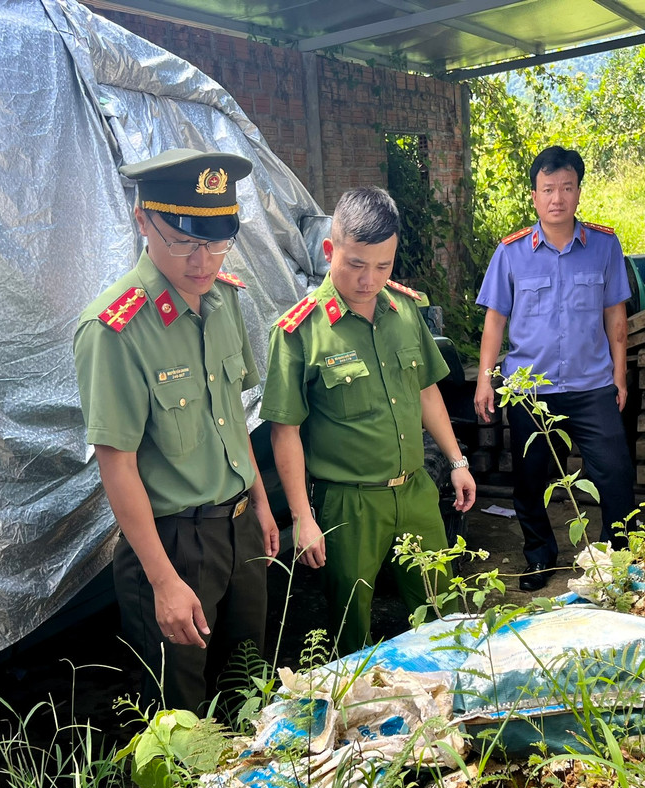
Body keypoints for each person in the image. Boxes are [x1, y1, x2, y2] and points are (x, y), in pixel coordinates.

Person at [72, 148, 279, 713]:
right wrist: (162, 581)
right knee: (180, 714)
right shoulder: (115, 328)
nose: (203, 259)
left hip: (238, 532)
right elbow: (117, 464)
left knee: (249, 691)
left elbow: (233, 418)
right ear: (143, 221)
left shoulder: (224, 300)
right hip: (172, 546)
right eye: (186, 241)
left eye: (217, 241)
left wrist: (259, 505)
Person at [260, 186, 476, 654]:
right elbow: (286, 431)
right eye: (356, 264)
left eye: (383, 266)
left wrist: (457, 460)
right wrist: (302, 517)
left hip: (416, 491)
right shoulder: (300, 332)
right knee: (350, 631)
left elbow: (425, 391)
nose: (369, 279)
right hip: (348, 505)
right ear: (329, 250)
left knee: (444, 615)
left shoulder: (405, 311)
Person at [474, 145, 635, 592]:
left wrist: (619, 377)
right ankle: (539, 556)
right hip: (529, 389)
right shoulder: (511, 253)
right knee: (529, 481)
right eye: (548, 189)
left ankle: (611, 562)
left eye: (566, 187)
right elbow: (495, 320)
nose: (557, 198)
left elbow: (615, 317)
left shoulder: (604, 245)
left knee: (616, 477)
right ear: (534, 196)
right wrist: (486, 379)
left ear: (579, 191)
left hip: (591, 386)